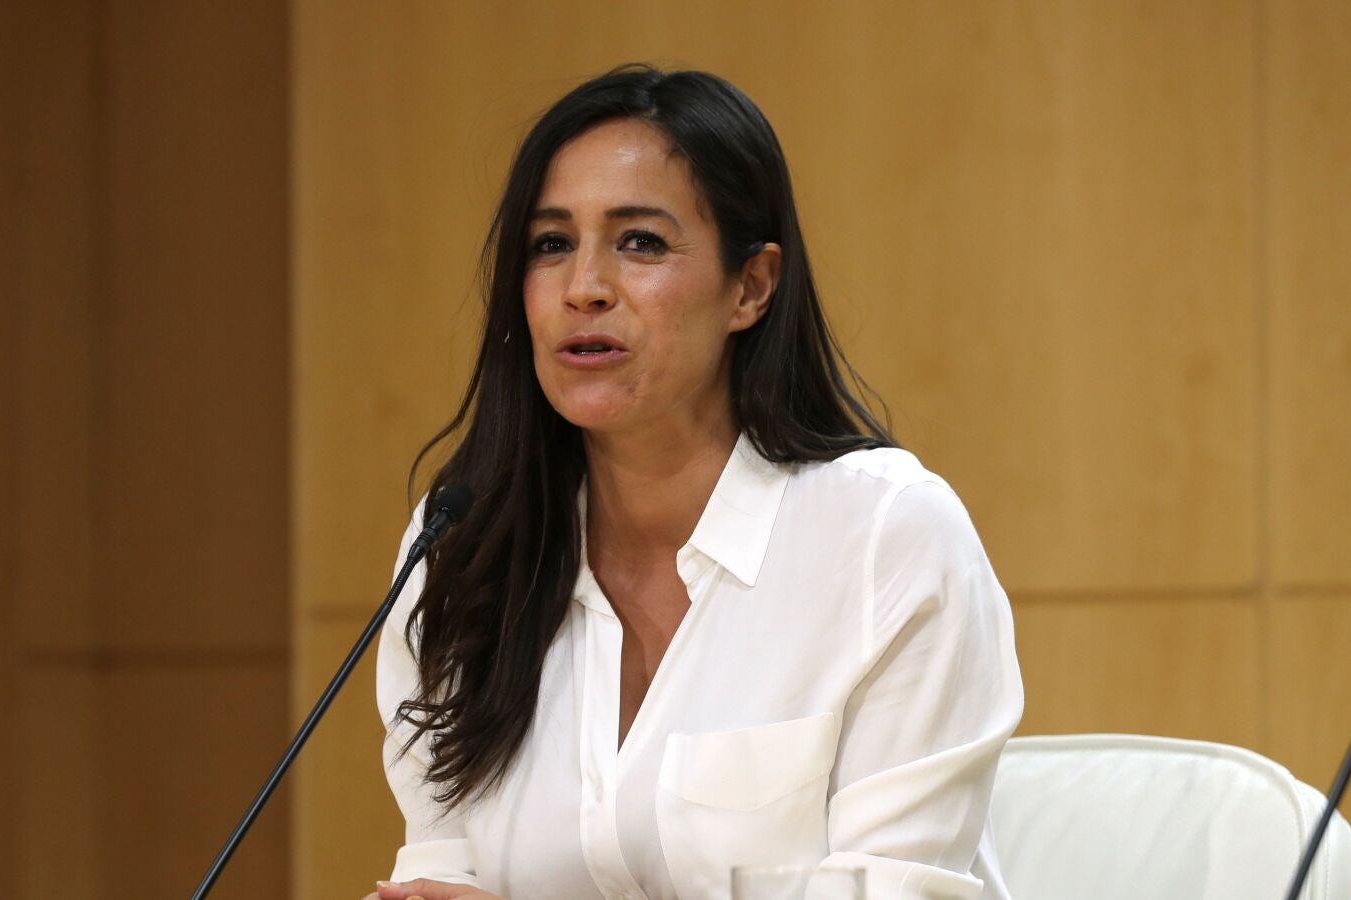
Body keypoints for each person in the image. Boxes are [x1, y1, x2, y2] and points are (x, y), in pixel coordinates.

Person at [365, 64, 1023, 900]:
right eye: (551, 244)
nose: (584, 288)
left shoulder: (882, 538)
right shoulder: (463, 548)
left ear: (751, 287)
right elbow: (439, 871)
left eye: (640, 242)